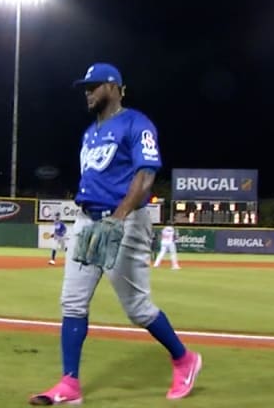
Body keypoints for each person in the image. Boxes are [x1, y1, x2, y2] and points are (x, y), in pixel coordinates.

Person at [29, 63, 202, 405]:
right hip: (86, 222)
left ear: (112, 86)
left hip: (126, 221)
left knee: (137, 308)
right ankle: (70, 384)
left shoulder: (137, 123)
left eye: (93, 86)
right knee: (72, 302)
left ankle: (184, 360)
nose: (87, 92)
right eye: (85, 88)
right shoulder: (89, 133)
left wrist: (118, 217)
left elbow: (146, 177)